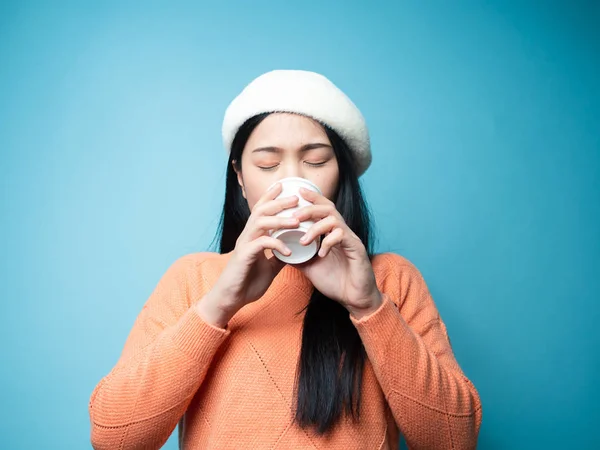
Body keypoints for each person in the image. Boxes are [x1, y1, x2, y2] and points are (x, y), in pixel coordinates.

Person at [88, 70, 482, 449]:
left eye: (315, 160)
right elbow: (115, 439)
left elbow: (453, 442)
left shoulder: (390, 280)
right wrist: (219, 303)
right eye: (267, 164)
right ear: (240, 176)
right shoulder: (192, 279)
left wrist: (368, 306)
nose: (292, 182)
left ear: (341, 175)